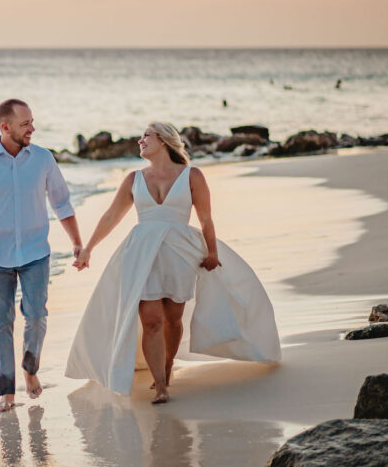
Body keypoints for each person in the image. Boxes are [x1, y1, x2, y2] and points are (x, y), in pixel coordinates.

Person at [65, 122, 280, 404]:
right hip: (140, 254)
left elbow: (206, 218)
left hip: (180, 251)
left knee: (173, 319)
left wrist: (212, 251)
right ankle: (161, 383)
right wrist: (88, 249)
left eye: (146, 136)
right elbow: (110, 217)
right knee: (151, 320)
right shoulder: (133, 179)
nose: (140, 140)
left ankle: (167, 365)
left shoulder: (192, 175)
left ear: (164, 141)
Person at [0, 99, 83, 413]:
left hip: (34, 253)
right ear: (5, 127)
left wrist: (77, 243)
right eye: (25, 123)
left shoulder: (43, 159)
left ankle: (30, 368)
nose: (32, 128)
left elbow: (62, 204)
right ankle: (6, 393)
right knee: (1, 321)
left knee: (37, 315)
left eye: (31, 121)